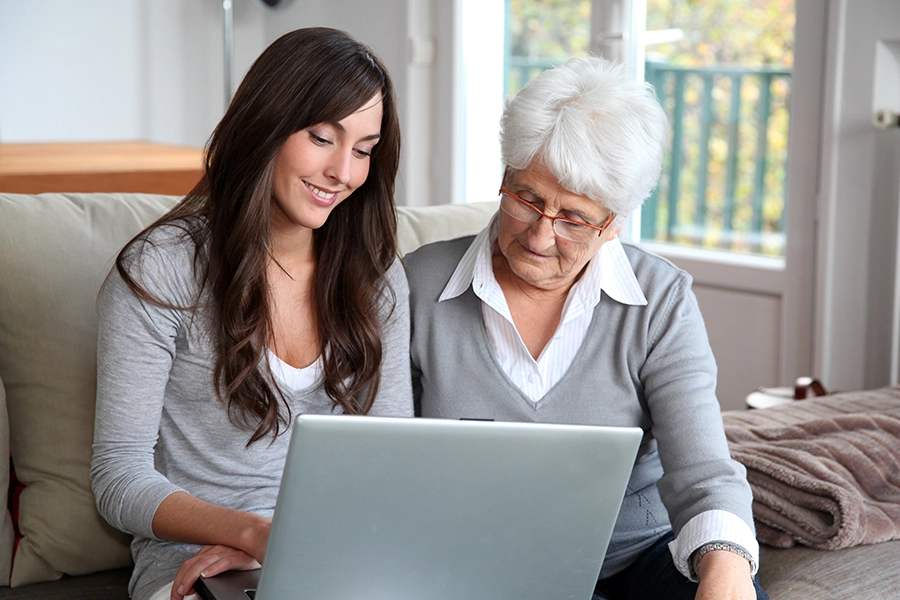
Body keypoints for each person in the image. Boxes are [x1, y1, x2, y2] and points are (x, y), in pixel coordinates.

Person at [406, 56, 769, 600]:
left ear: (613, 224)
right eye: (527, 199)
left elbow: (704, 471)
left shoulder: (661, 300)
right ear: (504, 179)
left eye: (574, 218)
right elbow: (380, 460)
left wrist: (728, 570)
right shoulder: (416, 285)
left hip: (636, 555)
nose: (541, 234)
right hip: (475, 562)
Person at [91, 27, 412, 600]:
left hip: (338, 556)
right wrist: (255, 533)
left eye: (363, 150)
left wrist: (307, 542)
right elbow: (118, 477)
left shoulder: (375, 278)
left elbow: (392, 462)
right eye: (322, 137)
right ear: (267, 124)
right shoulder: (160, 271)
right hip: (196, 565)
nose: (343, 171)